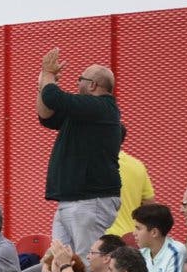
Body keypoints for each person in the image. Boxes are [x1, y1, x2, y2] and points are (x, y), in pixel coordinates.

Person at [35, 48, 122, 255]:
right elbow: (46, 115)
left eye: (80, 79)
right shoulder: (85, 112)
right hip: (74, 200)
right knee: (59, 260)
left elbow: (54, 97)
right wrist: (44, 83)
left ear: (92, 85)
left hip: (90, 200)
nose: (76, 83)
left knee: (89, 262)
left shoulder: (102, 107)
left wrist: (48, 74)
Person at [131, 203, 185, 272]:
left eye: (138, 228)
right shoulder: (141, 253)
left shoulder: (176, 252)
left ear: (154, 232)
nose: (134, 233)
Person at [105, 146, 155, 238]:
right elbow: (149, 205)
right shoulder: (137, 165)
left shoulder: (87, 165)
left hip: (100, 241)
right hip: (130, 237)